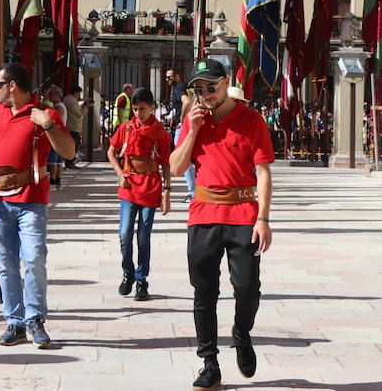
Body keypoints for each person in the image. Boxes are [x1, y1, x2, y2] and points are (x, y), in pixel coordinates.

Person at [170, 59, 274, 390]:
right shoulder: (193, 120)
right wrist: (194, 128)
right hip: (204, 212)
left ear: (225, 82)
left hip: (243, 212)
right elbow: (176, 167)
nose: (205, 94)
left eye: (210, 87)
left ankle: (242, 334)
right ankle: (209, 363)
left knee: (247, 288)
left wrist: (263, 219)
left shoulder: (251, 119)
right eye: (198, 89)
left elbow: (263, 172)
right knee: (204, 291)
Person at [0, 61, 75, 349]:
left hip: (31, 200)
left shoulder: (44, 113)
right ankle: (14, 322)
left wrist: (49, 125)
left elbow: (68, 151)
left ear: (12, 86)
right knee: (5, 264)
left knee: (33, 259)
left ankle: (35, 318)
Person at [106, 87, 171, 302]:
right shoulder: (126, 128)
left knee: (143, 236)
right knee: (124, 233)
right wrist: (119, 173)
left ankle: (142, 279)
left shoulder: (160, 132)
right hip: (129, 184)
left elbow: (166, 163)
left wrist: (167, 191)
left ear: (152, 108)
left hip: (150, 185)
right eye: (135, 109)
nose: (138, 113)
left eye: (142, 109)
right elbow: (111, 151)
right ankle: (128, 272)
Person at [61, 85, 85, 168]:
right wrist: (86, 107)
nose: (79, 96)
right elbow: (79, 113)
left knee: (71, 145)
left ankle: (69, 162)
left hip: (69, 125)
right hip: (73, 126)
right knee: (75, 145)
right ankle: (70, 163)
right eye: (79, 94)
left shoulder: (67, 98)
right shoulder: (72, 101)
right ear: (75, 93)